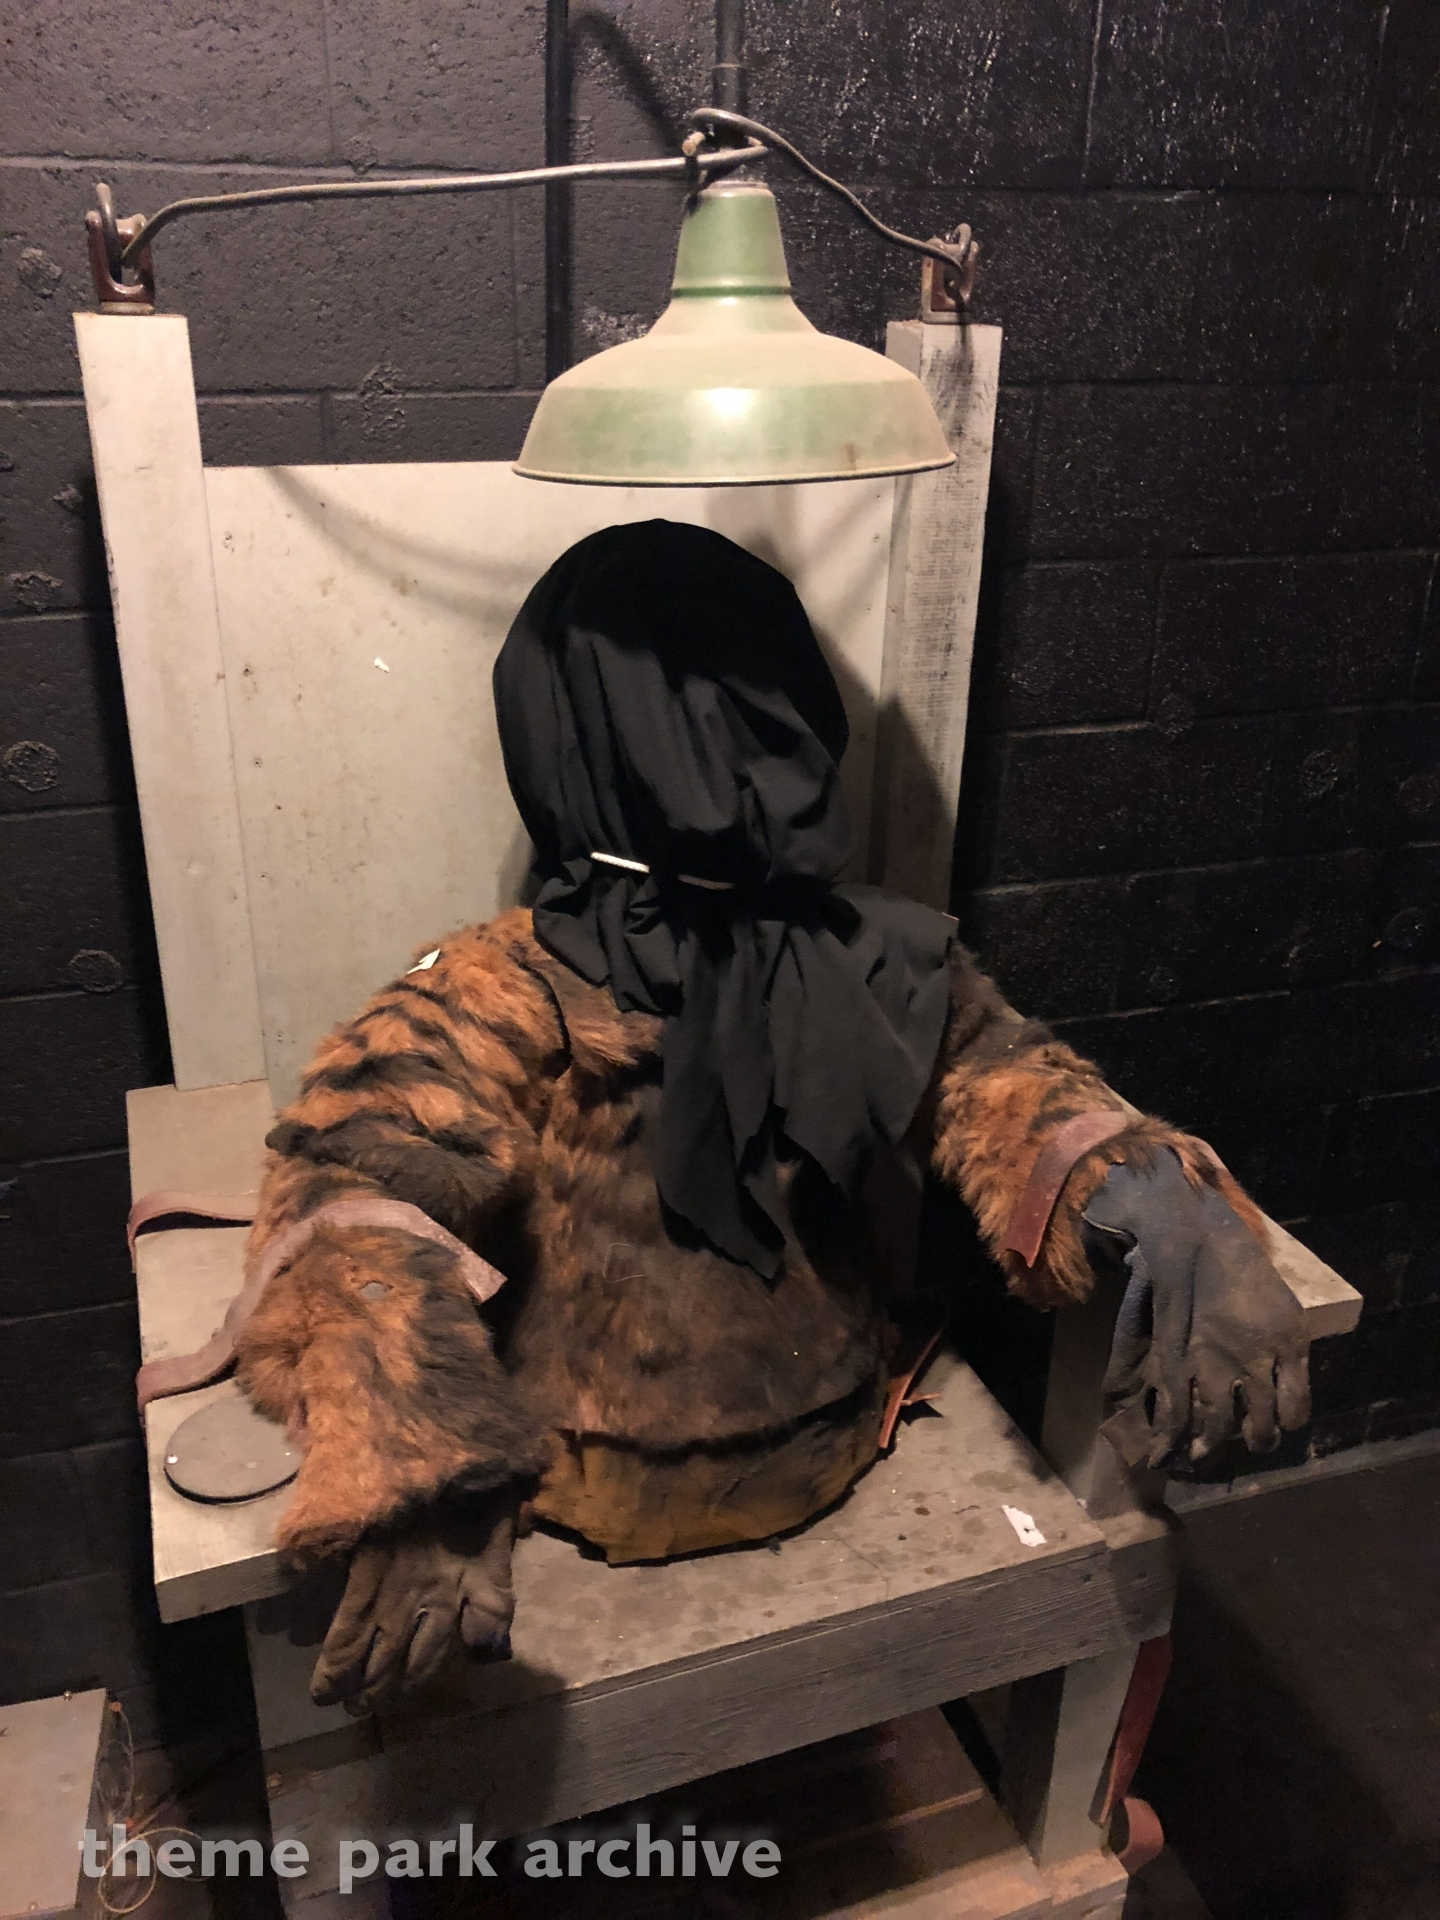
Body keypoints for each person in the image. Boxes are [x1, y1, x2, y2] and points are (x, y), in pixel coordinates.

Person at [234, 521, 1309, 1715]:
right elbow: (350, 1189)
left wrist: (1155, 1191)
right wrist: (416, 1458)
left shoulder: (861, 955)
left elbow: (1004, 1081)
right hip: (576, 1475)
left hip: (834, 1436)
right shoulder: (519, 982)